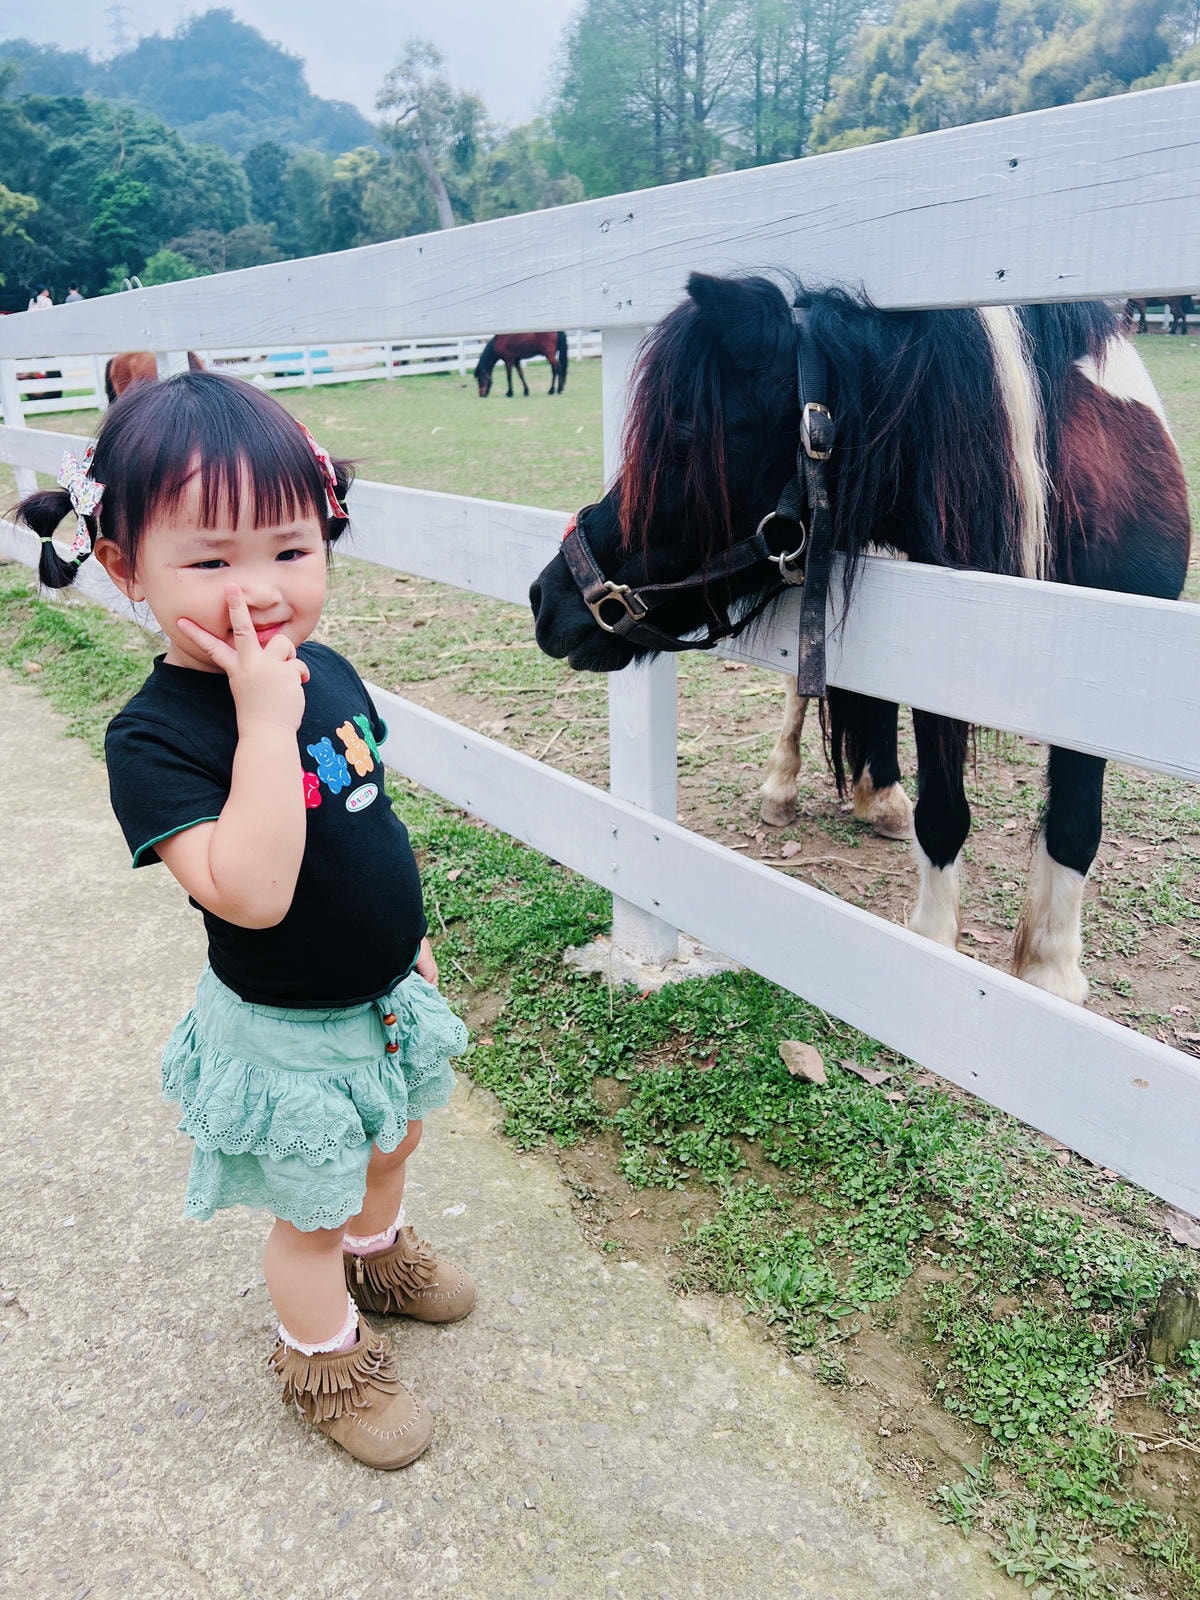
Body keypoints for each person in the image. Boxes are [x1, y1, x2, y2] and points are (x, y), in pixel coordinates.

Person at [16, 372, 473, 1471]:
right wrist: (262, 719)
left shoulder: (327, 670)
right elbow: (253, 891)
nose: (258, 592)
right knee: (308, 1213)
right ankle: (324, 1356)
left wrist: (406, 939)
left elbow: (368, 813)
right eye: (210, 561)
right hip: (287, 1033)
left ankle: (384, 1251)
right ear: (125, 568)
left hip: (381, 999)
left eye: (289, 550)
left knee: (396, 1141)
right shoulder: (156, 738)